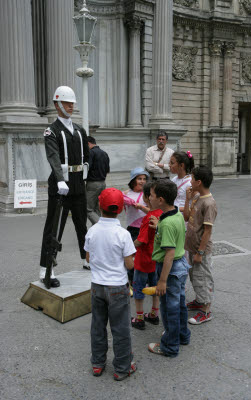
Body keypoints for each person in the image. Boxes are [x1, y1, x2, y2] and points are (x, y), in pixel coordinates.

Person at [84, 188, 137, 380]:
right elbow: (129, 264)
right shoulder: (123, 234)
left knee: (98, 326)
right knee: (120, 329)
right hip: (117, 287)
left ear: (99, 206)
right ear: (122, 209)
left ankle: (97, 363)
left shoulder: (92, 231)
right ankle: (122, 367)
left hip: (97, 286)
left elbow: (88, 258)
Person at [39, 86, 90, 287]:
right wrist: (60, 178)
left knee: (81, 225)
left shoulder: (79, 130)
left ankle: (86, 259)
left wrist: (88, 177)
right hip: (60, 187)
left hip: (78, 185)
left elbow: (87, 156)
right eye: (67, 103)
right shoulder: (51, 131)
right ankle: (46, 270)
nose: (71, 106)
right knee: (53, 229)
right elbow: (52, 156)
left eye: (72, 103)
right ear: (57, 104)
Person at [147, 180, 191, 357]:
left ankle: (170, 346)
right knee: (179, 303)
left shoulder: (166, 224)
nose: (149, 198)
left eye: (151, 195)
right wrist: (159, 225)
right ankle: (182, 335)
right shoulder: (175, 215)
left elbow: (169, 254)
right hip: (180, 267)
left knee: (169, 309)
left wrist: (162, 280)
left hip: (170, 270)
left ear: (161, 200)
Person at [184, 165, 217, 325]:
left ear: (198, 182)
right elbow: (186, 217)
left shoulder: (209, 203)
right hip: (191, 247)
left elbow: (207, 231)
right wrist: (188, 199)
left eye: (191, 178)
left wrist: (200, 252)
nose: (189, 181)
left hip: (200, 250)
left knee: (203, 278)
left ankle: (206, 310)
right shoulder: (197, 197)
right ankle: (199, 300)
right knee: (194, 277)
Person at [131, 182, 162, 330]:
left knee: (138, 288)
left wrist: (128, 249)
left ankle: (139, 317)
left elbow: (141, 241)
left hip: (143, 261)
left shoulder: (148, 218)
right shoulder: (161, 215)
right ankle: (154, 314)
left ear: (146, 197)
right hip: (156, 259)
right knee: (154, 287)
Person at [123, 167, 149, 287]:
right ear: (133, 180)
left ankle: (145, 278)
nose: (142, 181)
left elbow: (153, 211)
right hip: (132, 229)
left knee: (144, 255)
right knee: (131, 255)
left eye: (144, 179)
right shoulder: (127, 194)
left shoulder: (148, 195)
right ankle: (132, 280)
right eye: (139, 179)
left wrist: (141, 207)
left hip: (145, 228)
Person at [86, 136, 110, 228]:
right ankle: (98, 231)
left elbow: (87, 168)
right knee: (97, 208)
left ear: (88, 143)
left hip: (93, 183)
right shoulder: (104, 153)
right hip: (102, 183)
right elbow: (107, 170)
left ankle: (102, 227)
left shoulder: (91, 153)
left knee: (88, 209)